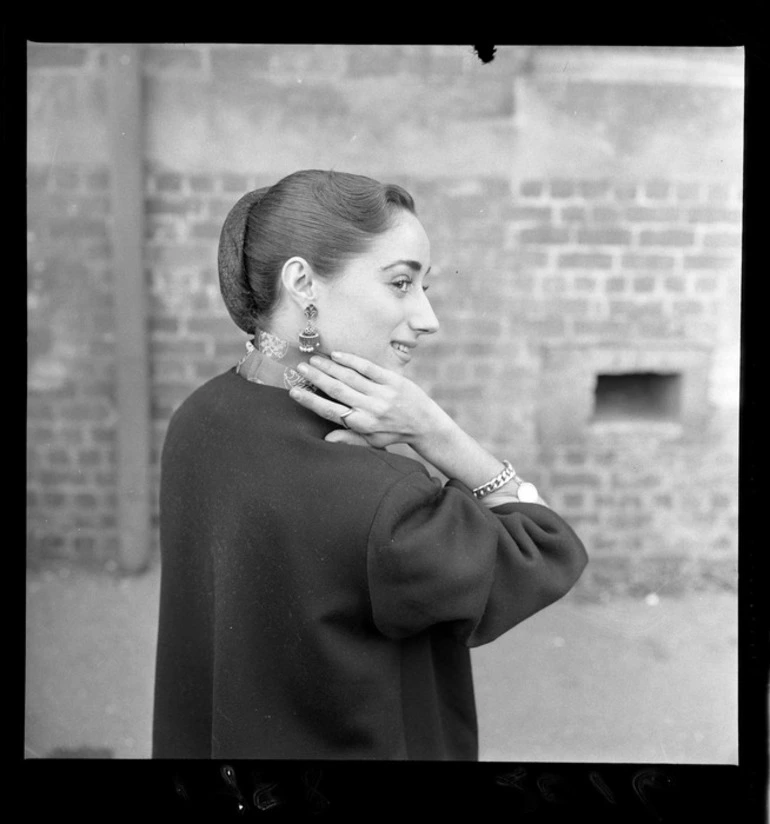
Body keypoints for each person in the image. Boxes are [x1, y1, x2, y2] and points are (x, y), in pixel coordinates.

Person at [152, 169, 588, 760]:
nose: (429, 318)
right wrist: (439, 434)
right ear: (303, 282)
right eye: (401, 284)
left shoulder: (198, 420)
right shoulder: (381, 492)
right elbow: (548, 552)